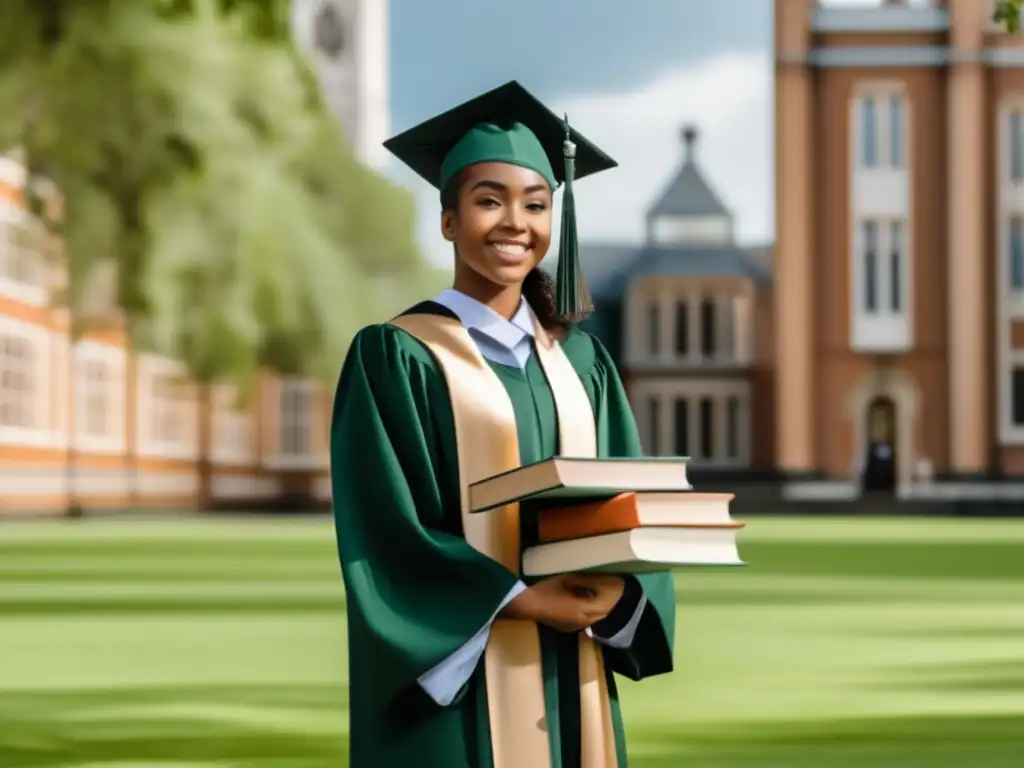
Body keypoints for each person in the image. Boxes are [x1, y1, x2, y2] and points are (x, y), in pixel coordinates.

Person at [330, 81, 676, 768]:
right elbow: (384, 531)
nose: (515, 222)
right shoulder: (397, 355)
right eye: (489, 200)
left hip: (574, 667)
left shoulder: (581, 360)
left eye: (536, 204)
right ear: (449, 220)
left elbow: (624, 508)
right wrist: (518, 598)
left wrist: (619, 593)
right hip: (456, 694)